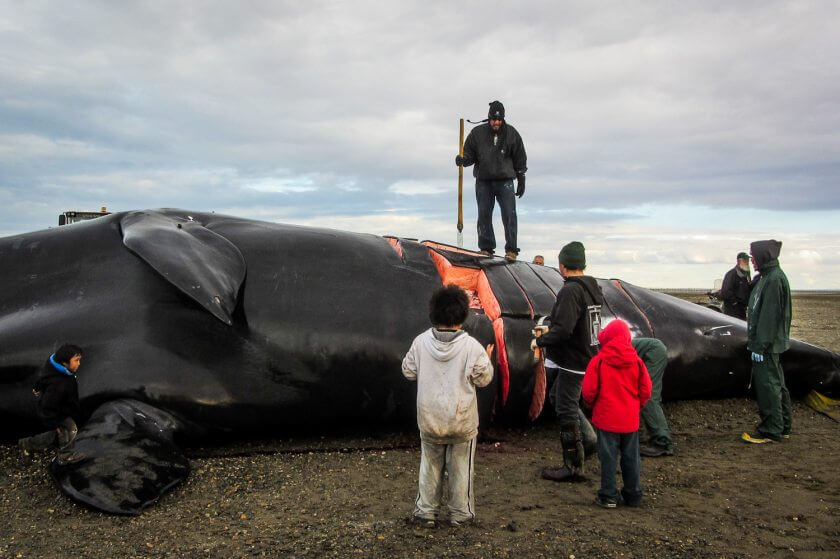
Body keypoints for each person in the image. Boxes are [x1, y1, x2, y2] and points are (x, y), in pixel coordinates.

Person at [402, 285, 494, 527]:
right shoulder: (472, 347)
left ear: (433, 313)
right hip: (461, 421)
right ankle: (461, 515)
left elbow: (408, 371)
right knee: (461, 469)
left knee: (429, 466)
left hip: (430, 418)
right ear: (463, 314)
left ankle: (425, 513)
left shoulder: (420, 342)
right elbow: (484, 379)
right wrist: (487, 359)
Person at [532, 241, 604, 481]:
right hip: (587, 355)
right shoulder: (591, 288)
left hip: (573, 360)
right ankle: (591, 440)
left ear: (563, 265)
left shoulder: (571, 290)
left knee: (565, 407)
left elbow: (564, 329)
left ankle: (573, 465)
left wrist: (541, 341)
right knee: (557, 397)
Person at [582, 320, 652, 508]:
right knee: (631, 458)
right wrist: (637, 406)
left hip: (606, 419)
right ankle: (633, 495)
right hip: (630, 420)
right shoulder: (636, 361)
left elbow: (588, 390)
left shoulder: (600, 361)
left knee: (608, 458)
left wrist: (590, 404)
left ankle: (608, 496)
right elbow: (646, 389)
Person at [456, 100, 527, 262]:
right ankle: (486, 248)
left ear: (503, 119)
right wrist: (463, 160)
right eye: (494, 119)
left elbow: (520, 158)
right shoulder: (477, 134)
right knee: (484, 214)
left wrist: (521, 178)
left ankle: (511, 250)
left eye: (499, 119)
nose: (496, 122)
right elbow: (469, 155)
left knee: (509, 214)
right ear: (489, 118)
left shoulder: (511, 134)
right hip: (484, 181)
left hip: (505, 181)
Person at [741, 240, 792, 444]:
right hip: (771, 343)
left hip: (767, 345)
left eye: (754, 257)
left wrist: (760, 345)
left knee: (768, 385)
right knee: (777, 384)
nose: (752, 260)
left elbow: (769, 317)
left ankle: (771, 429)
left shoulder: (772, 280)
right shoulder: (768, 277)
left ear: (763, 256)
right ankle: (783, 426)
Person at [18, 344, 83, 454]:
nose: (79, 364)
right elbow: (48, 406)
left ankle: (27, 443)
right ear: (64, 363)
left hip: (63, 407)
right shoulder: (58, 386)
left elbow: (43, 378)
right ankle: (66, 455)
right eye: (76, 360)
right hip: (58, 414)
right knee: (71, 430)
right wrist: (53, 424)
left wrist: (37, 387)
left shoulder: (53, 367)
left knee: (57, 434)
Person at [632, 337, 674, 457]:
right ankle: (641, 438)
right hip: (652, 351)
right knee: (638, 395)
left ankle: (662, 443)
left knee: (648, 397)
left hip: (653, 352)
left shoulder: (604, 353)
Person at [720, 252, 752, 319]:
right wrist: (735, 303)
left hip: (742, 311)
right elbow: (725, 291)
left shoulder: (746, 274)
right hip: (732, 312)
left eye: (747, 260)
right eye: (745, 260)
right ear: (738, 261)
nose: (747, 262)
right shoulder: (731, 274)